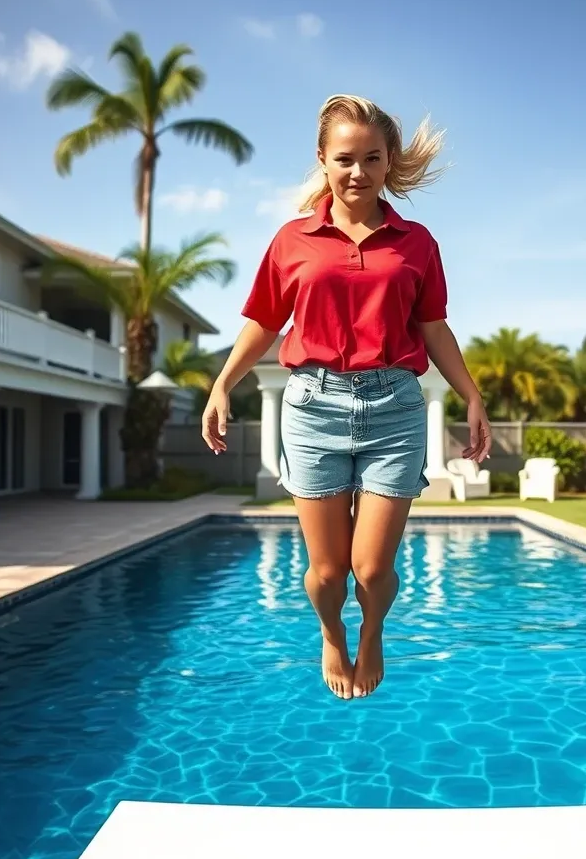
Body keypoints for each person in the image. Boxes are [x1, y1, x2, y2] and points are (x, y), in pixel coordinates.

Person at [202, 94, 492, 700]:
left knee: (373, 569)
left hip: (395, 409)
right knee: (329, 573)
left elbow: (434, 326)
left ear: (389, 164)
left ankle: (373, 630)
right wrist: (222, 383)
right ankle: (333, 631)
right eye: (344, 159)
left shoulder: (415, 243)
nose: (357, 171)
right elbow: (262, 319)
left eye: (371, 158)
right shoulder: (293, 239)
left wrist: (471, 396)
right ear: (322, 161)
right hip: (312, 407)